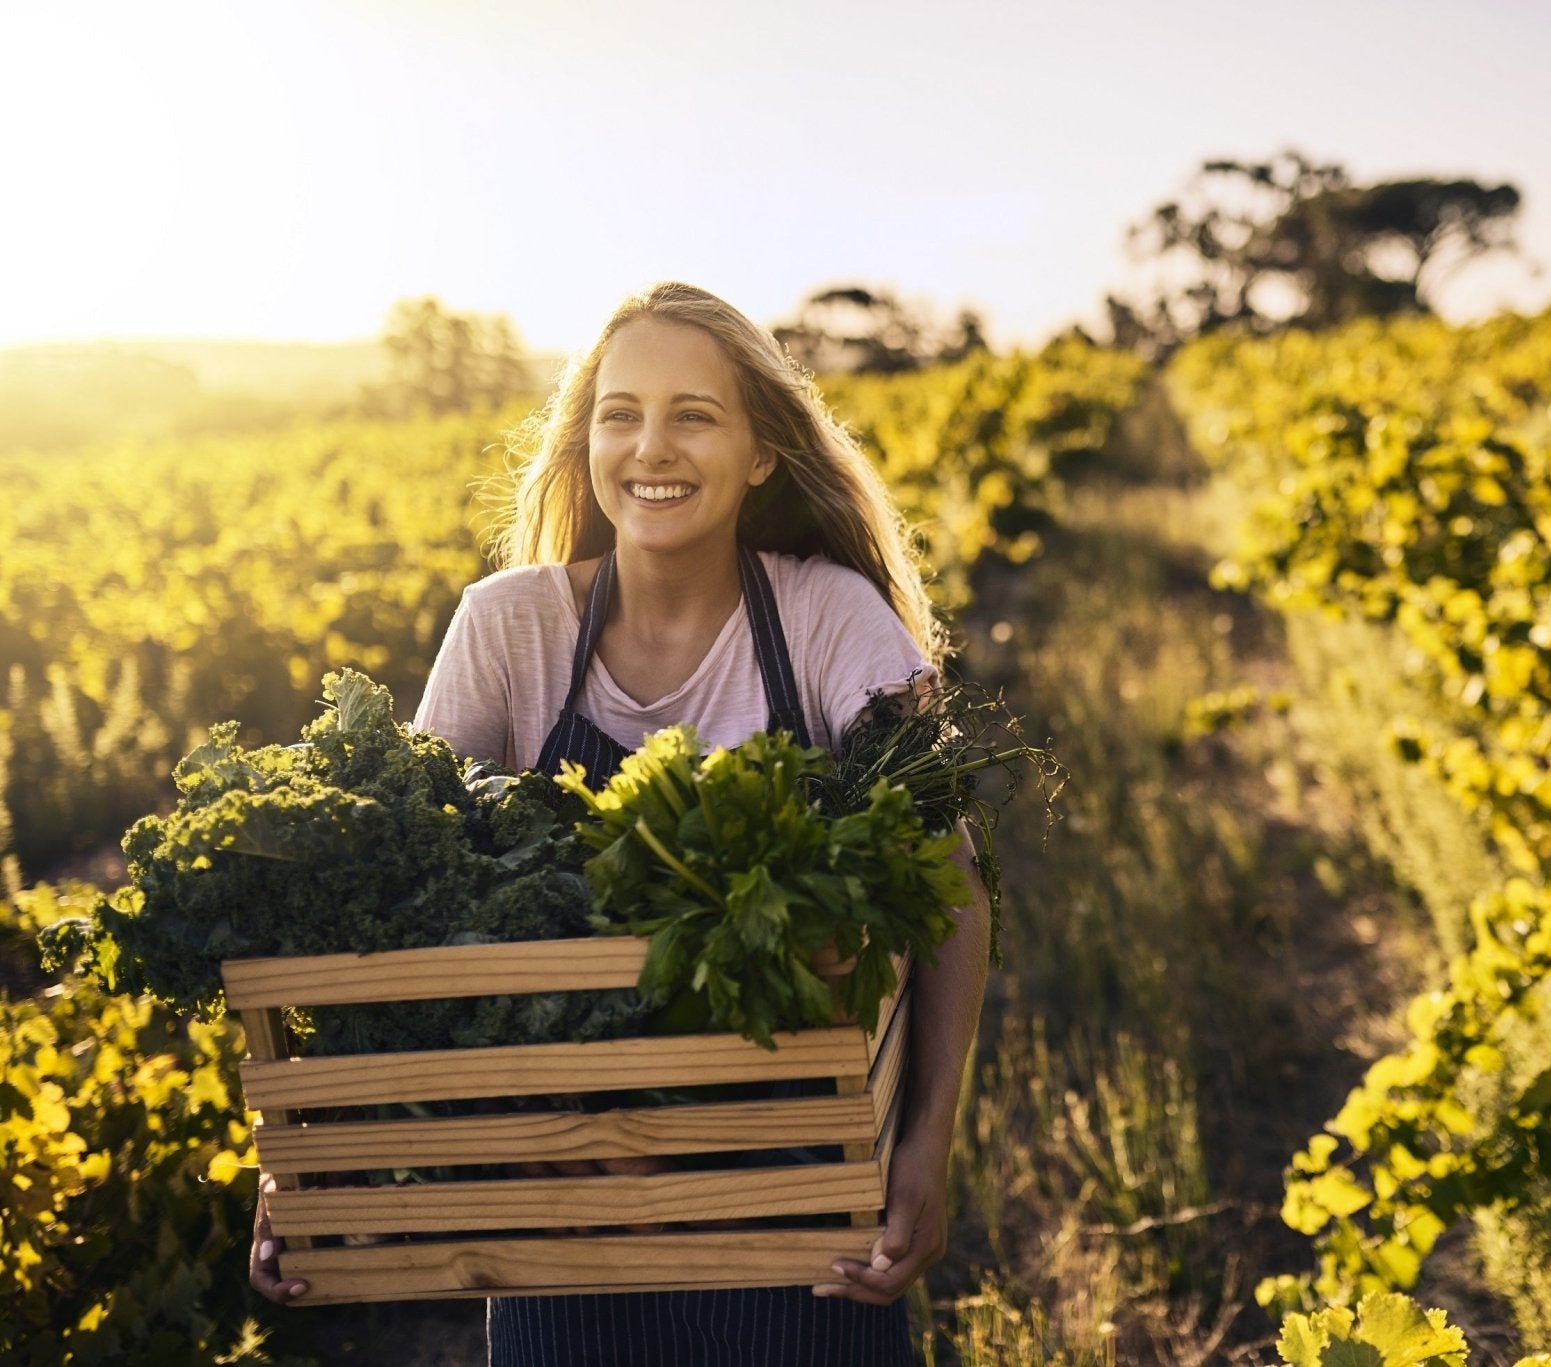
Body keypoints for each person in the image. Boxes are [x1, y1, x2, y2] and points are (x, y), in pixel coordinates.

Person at [248, 281, 993, 1365]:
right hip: (562, 1214)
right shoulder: (508, 629)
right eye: (619, 412)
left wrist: (926, 1146)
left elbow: (952, 881)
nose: (652, 445)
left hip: (795, 1201)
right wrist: (311, 1154)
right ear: (585, 441)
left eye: (694, 413)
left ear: (759, 453)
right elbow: (394, 915)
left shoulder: (827, 615)